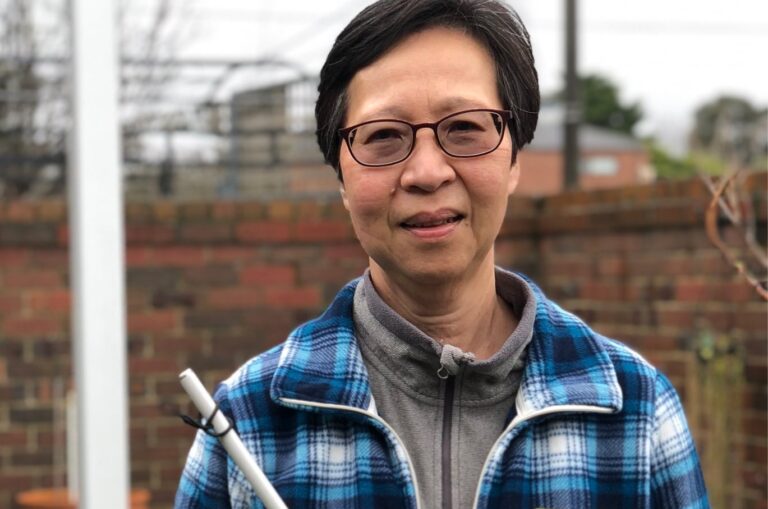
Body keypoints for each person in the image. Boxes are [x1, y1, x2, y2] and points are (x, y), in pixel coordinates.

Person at [176, 0, 709, 507]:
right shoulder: (252, 418)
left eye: (464, 128)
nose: (428, 173)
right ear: (341, 177)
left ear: (514, 158)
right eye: (383, 135)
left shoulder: (635, 412)